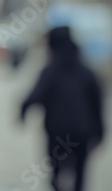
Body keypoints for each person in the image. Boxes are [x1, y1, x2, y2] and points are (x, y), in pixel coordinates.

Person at [20, 26, 105, 191]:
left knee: (55, 171)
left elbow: (36, 95)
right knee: (80, 172)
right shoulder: (86, 71)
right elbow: (97, 104)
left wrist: (23, 110)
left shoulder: (50, 71)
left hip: (57, 132)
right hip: (82, 132)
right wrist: (100, 131)